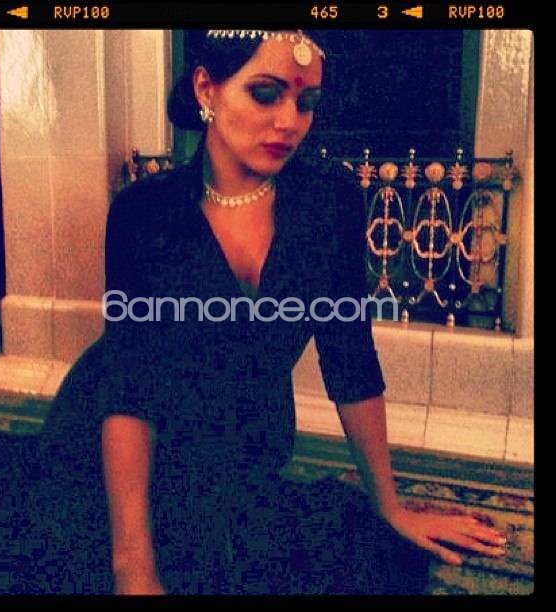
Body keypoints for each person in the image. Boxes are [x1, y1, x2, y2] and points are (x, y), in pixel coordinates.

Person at [34, 29, 508, 595]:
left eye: (306, 102)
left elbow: (349, 355)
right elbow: (129, 386)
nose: (290, 122)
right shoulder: (144, 211)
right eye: (265, 93)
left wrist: (389, 505)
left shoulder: (328, 202)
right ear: (206, 88)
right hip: (119, 456)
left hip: (247, 448)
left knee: (365, 560)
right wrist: (133, 567)